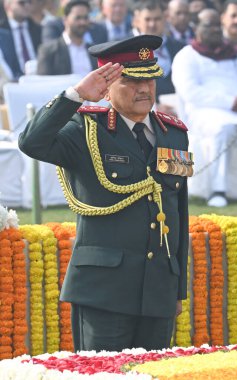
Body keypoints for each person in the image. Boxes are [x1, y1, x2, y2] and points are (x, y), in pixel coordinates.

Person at [18, 34, 190, 352]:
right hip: (104, 292)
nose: (144, 89)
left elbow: (179, 214)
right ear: (106, 87)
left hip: (158, 290)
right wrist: (76, 95)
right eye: (131, 80)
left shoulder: (174, 134)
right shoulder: (85, 130)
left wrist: (177, 288)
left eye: (150, 79)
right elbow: (31, 142)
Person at [172, 8, 237, 207]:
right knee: (222, 128)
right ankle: (219, 190)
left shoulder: (235, 55)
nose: (216, 29)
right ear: (196, 27)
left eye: (218, 25)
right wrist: (231, 101)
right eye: (210, 25)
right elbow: (191, 91)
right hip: (205, 111)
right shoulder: (186, 56)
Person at [132, 0, 185, 112]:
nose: (152, 24)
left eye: (157, 19)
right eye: (147, 19)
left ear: (165, 19)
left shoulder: (180, 48)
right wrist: (154, 108)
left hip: (179, 113)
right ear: (137, 21)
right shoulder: (125, 49)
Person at [37, 0, 97, 75]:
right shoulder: (49, 51)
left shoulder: (94, 51)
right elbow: (42, 83)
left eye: (85, 18)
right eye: (78, 18)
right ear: (65, 19)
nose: (83, 22)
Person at [0, 0, 41, 77]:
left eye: (29, 2)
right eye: (22, 2)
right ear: (7, 5)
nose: (27, 5)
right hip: (12, 81)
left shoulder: (38, 29)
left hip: (39, 79)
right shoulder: (1, 32)